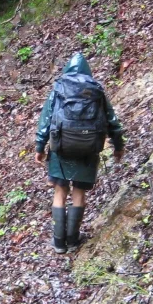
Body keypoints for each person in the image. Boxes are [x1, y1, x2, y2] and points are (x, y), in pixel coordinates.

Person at [35, 52, 125, 253]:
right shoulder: (96, 90)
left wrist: (40, 147)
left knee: (60, 191)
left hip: (61, 148)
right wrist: (118, 146)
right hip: (88, 148)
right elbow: (112, 122)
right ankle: (73, 239)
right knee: (79, 193)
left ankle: (59, 242)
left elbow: (45, 121)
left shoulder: (58, 88)